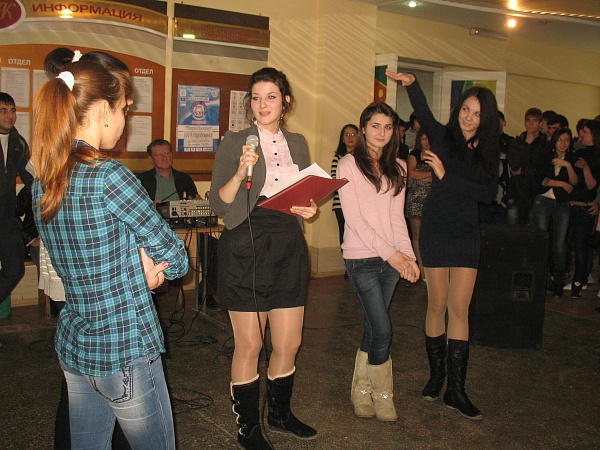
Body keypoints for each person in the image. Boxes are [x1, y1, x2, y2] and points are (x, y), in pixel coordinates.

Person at [31, 58, 188, 449]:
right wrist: (147, 269)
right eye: (124, 110)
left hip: (77, 344)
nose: (125, 120)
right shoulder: (109, 175)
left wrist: (135, 268)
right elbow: (176, 259)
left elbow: (86, 260)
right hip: (124, 348)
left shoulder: (44, 180)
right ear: (103, 110)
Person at [209, 67, 318, 450]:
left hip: (287, 242)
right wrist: (241, 169)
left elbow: (304, 193)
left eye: (271, 96)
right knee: (250, 345)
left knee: (289, 342)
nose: (262, 104)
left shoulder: (299, 142)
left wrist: (308, 209)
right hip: (246, 242)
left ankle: (279, 414)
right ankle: (248, 429)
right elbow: (219, 202)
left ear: (285, 101)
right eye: (255, 98)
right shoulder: (235, 141)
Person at [387, 69, 500, 420]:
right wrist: (411, 84)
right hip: (436, 228)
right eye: (465, 109)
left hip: (465, 232)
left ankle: (456, 389)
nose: (469, 117)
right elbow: (422, 111)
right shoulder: (441, 137)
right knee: (436, 304)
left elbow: (486, 194)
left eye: (477, 113)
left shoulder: (488, 151)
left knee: (459, 309)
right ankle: (437, 376)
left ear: (485, 119)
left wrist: (445, 176)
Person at [337, 102, 419, 422]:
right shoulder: (348, 164)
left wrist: (407, 256)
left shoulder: (398, 166)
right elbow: (355, 220)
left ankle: (361, 390)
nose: (382, 133)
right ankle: (384, 394)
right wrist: (393, 254)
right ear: (363, 128)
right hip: (362, 259)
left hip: (390, 260)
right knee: (383, 329)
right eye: (375, 126)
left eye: (388, 127)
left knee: (374, 326)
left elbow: (397, 217)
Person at [530, 128, 579, 297]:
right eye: (560, 140)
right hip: (543, 200)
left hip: (562, 203)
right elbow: (540, 180)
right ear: (554, 141)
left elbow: (574, 182)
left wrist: (567, 165)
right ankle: (539, 278)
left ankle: (558, 280)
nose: (563, 144)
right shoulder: (545, 156)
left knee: (559, 243)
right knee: (541, 238)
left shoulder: (572, 159)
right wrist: (561, 184)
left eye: (566, 140)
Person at [0, 92, 33, 320]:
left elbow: (31, 179)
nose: (9, 115)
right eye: (3, 111)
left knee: (15, 270)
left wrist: (18, 206)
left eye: (12, 110)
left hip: (7, 219)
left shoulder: (18, 143)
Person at [567, 119, 600, 297]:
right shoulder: (578, 151)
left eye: (585, 132)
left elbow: (592, 186)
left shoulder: (594, 156)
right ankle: (580, 280)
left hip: (585, 207)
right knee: (577, 246)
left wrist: (586, 168)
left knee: (582, 247)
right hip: (573, 204)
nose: (581, 135)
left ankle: (578, 282)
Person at [405, 128, 433, 279]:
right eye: (423, 139)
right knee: (417, 235)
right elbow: (412, 174)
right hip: (415, 199)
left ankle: (431, 265)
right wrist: (431, 175)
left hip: (433, 201)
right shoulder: (414, 155)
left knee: (431, 234)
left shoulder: (437, 155)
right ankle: (421, 265)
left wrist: (422, 176)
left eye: (429, 138)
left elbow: (441, 176)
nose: (426, 142)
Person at [331, 124, 359, 250]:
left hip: (360, 202)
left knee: (358, 234)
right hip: (340, 203)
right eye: (347, 135)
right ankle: (346, 260)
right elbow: (335, 180)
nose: (350, 137)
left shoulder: (363, 157)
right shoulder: (338, 157)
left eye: (353, 134)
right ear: (343, 139)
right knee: (344, 234)